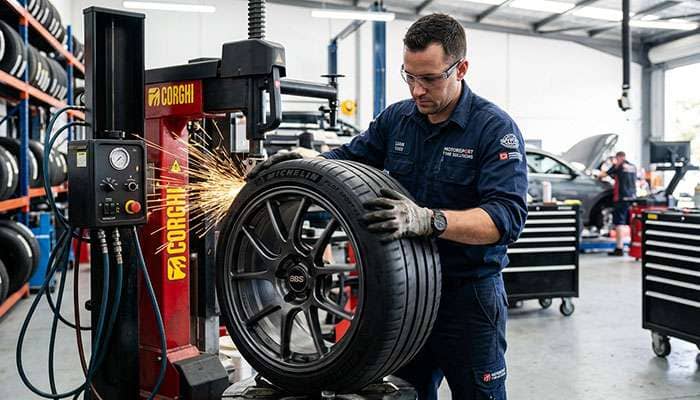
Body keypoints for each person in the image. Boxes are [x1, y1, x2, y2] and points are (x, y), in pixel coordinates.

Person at [248, 13, 527, 400]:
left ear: (461, 68)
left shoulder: (494, 129)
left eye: (429, 78)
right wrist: (306, 159)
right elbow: (347, 161)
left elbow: (505, 219)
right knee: (404, 394)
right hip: (407, 295)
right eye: (409, 76)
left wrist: (429, 220)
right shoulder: (397, 119)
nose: (417, 90)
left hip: (468, 299)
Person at [599, 151, 637, 256]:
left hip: (620, 198)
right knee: (630, 223)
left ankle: (619, 248)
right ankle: (632, 245)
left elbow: (603, 175)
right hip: (632, 198)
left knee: (619, 223)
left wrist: (599, 174)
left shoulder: (618, 166)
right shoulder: (633, 167)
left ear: (619, 157)